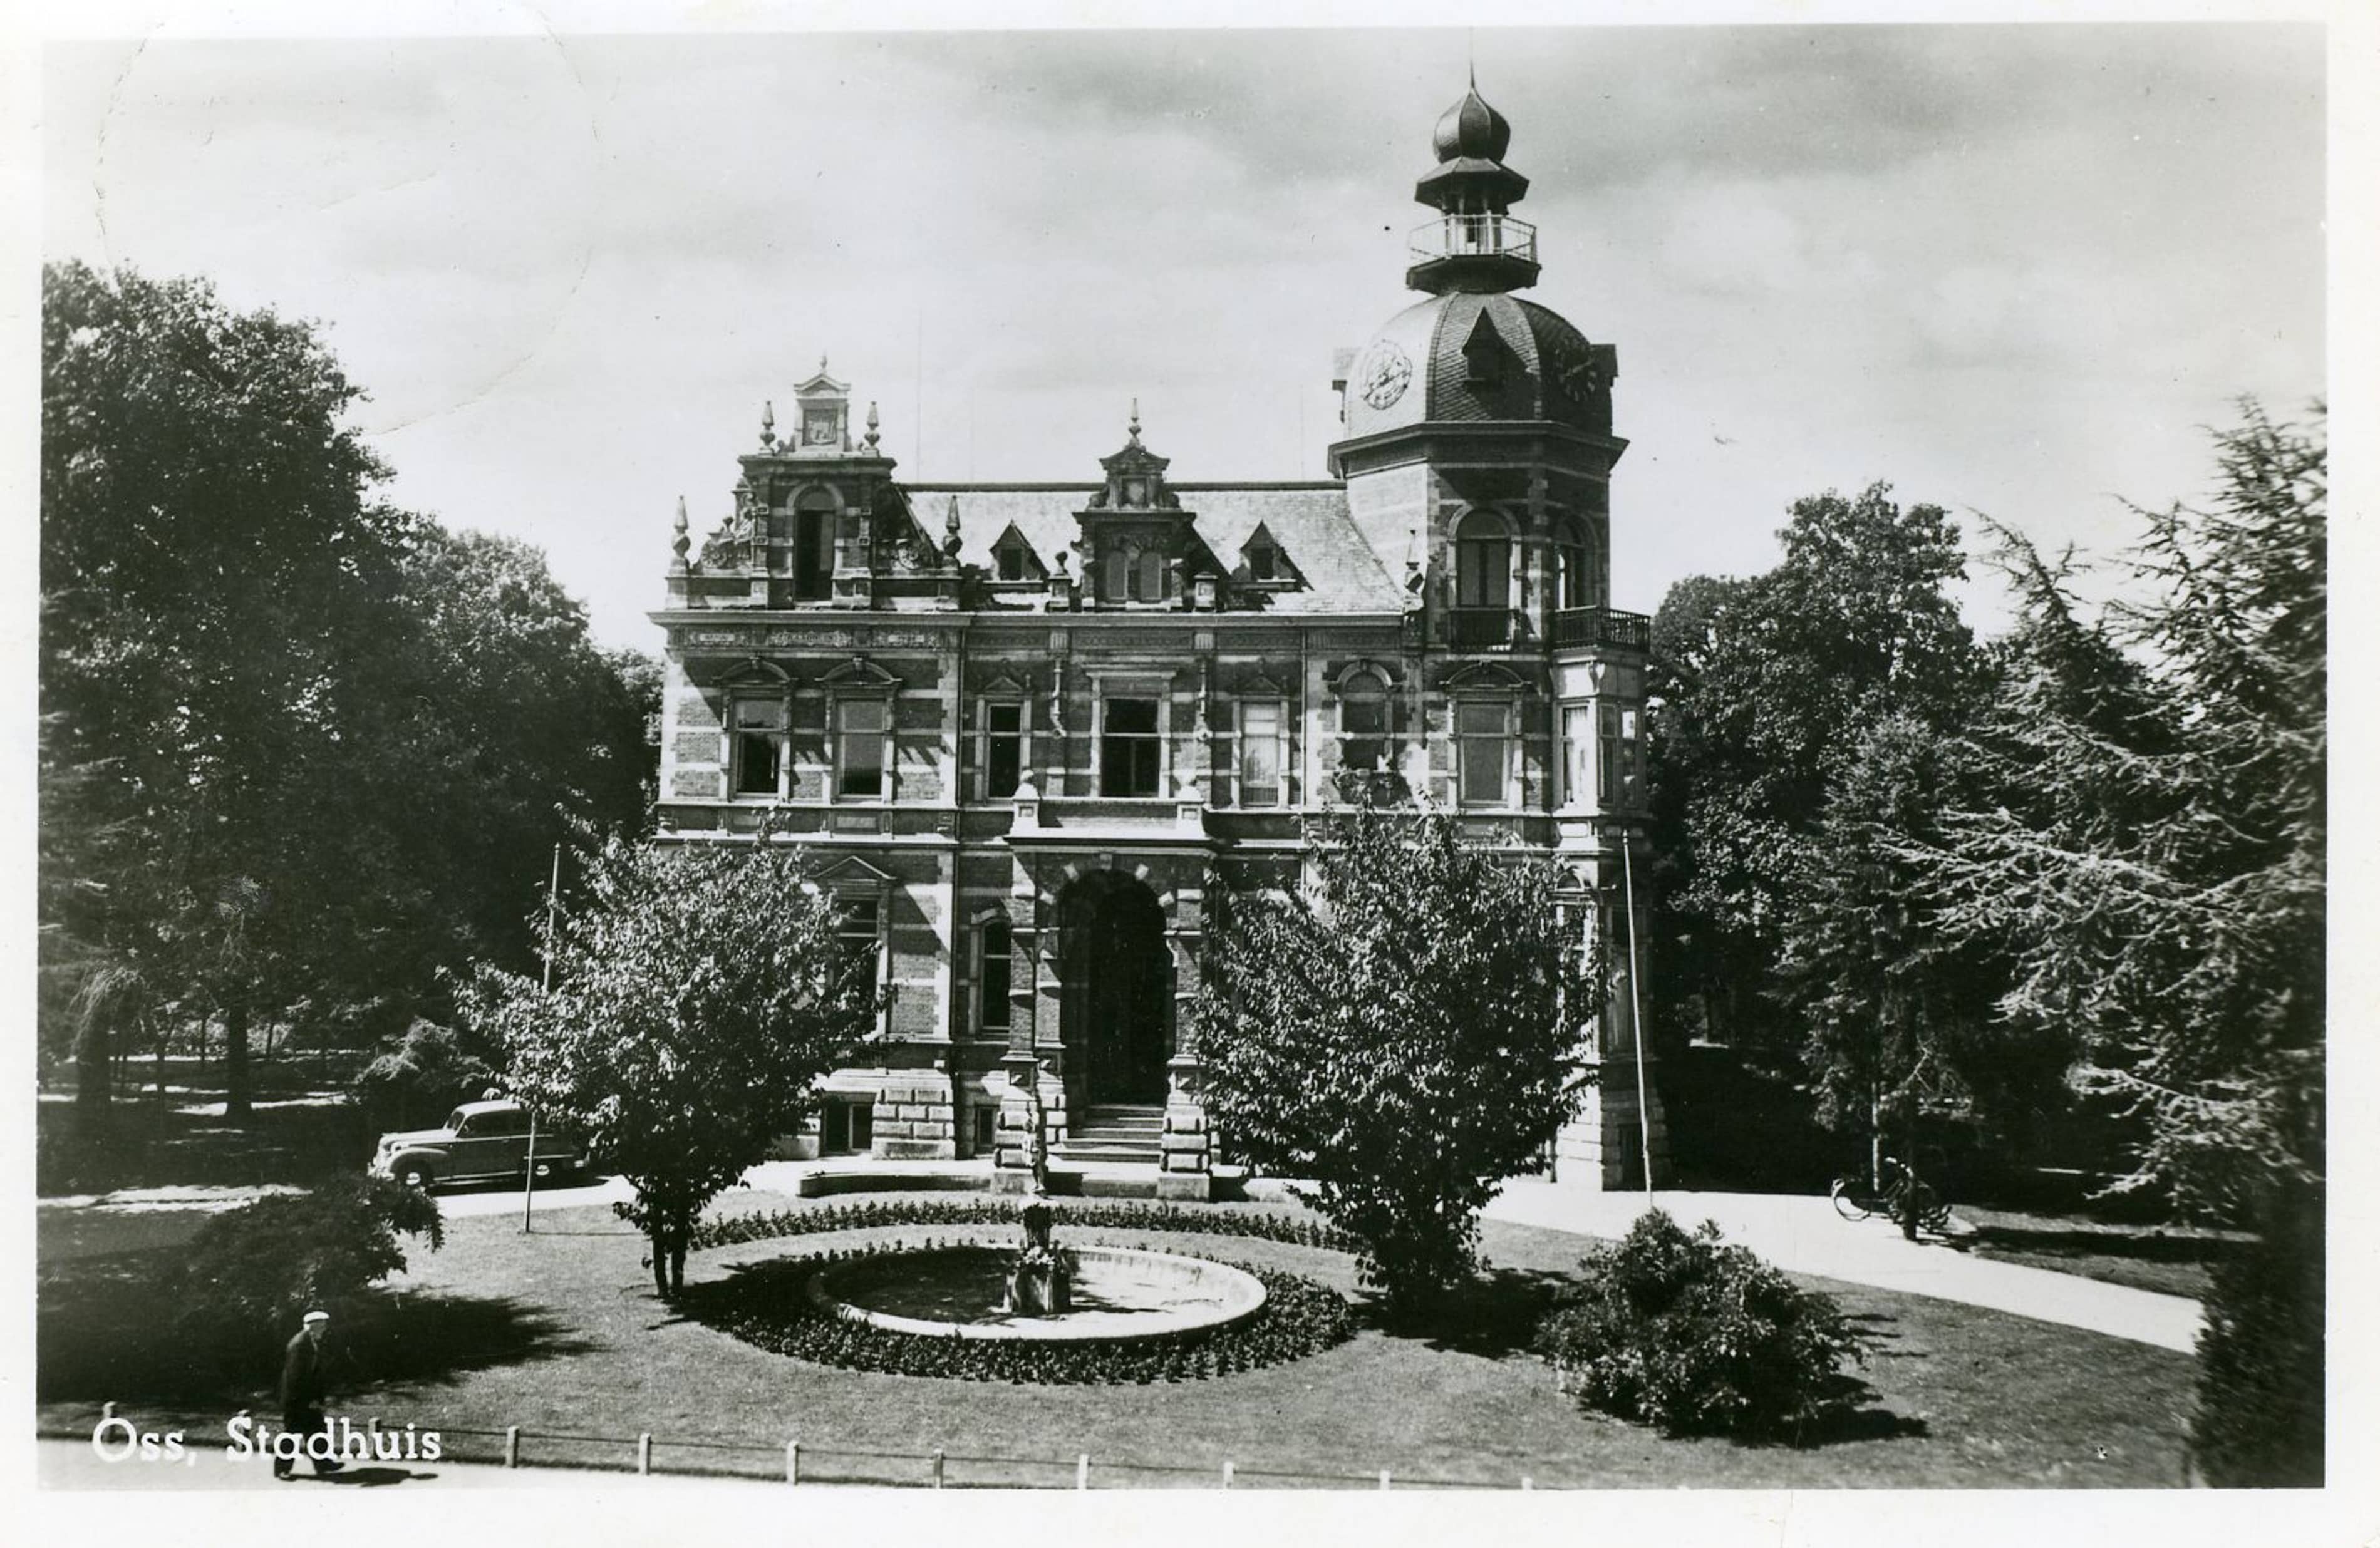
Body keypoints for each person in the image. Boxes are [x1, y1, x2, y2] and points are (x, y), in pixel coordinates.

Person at [274, 1309, 342, 1480]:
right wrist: (308, 1400)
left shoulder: (310, 1341)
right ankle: (282, 1469)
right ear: (314, 1326)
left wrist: (317, 1398)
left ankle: (324, 1464)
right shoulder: (299, 1344)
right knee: (291, 1434)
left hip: (304, 1397)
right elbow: (296, 1377)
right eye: (323, 1325)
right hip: (296, 1399)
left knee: (317, 1429)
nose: (325, 1328)